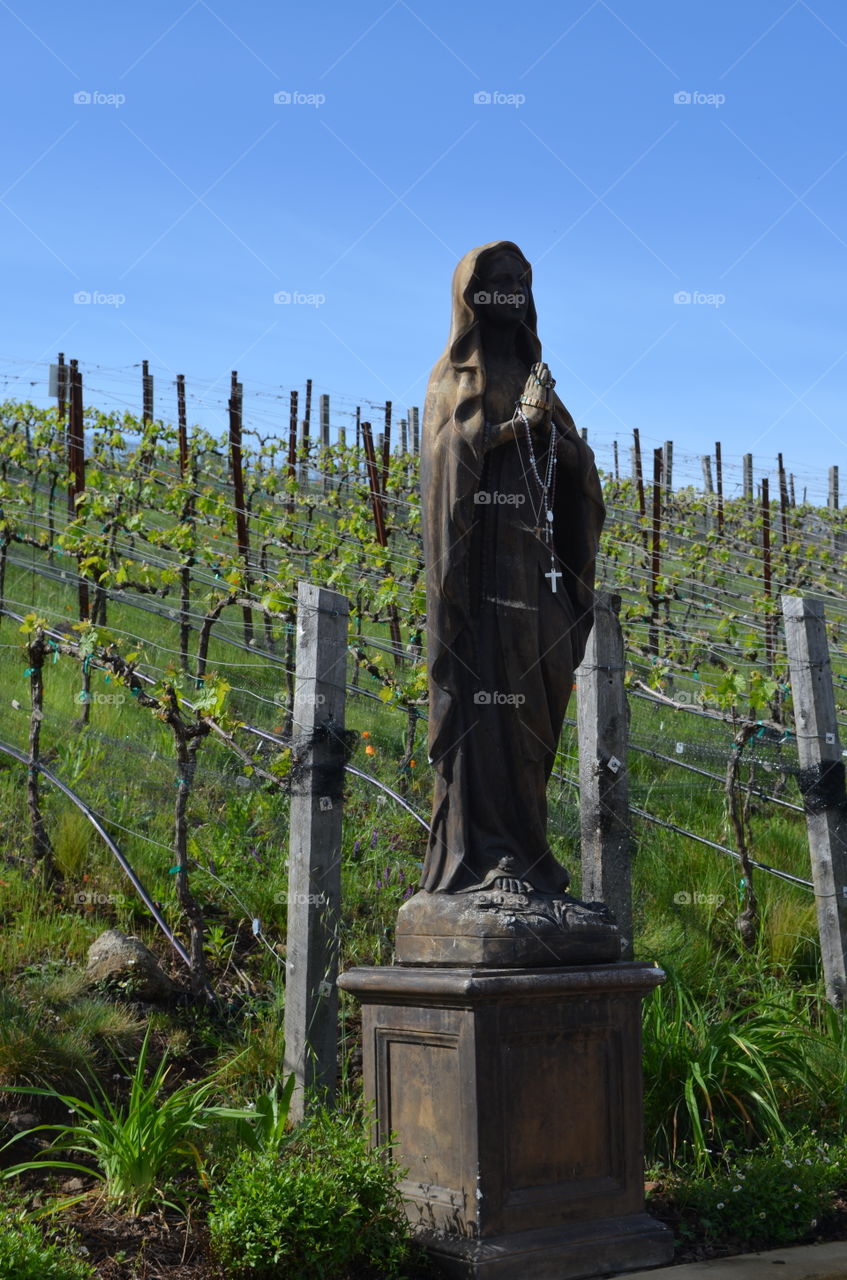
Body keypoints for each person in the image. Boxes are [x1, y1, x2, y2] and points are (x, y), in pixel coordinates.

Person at [420, 240, 605, 899]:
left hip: (536, 574)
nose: (508, 293)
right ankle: (480, 856)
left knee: (535, 709)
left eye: (518, 283)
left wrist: (555, 432)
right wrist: (512, 427)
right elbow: (450, 464)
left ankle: (527, 851)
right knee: (484, 713)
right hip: (479, 582)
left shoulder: (535, 377)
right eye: (495, 281)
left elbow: (577, 476)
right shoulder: (454, 378)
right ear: (470, 295)